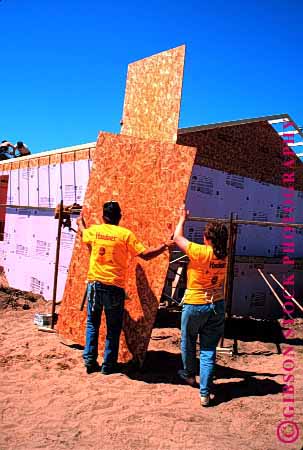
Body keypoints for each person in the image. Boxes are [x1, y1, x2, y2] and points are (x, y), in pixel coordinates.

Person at [76, 200, 173, 375]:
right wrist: (164, 246)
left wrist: (80, 222)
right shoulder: (125, 235)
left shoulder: (95, 231)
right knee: (113, 328)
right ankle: (108, 365)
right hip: (114, 288)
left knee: (92, 323)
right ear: (119, 217)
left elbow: (83, 233)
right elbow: (145, 255)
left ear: (103, 216)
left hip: (95, 285)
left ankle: (90, 361)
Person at [173, 206, 228, 407]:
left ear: (209, 238)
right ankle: (205, 393)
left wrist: (182, 219)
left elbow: (177, 237)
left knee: (187, 340)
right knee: (208, 349)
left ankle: (188, 374)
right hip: (216, 304)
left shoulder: (201, 252)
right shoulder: (224, 256)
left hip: (196, 303)